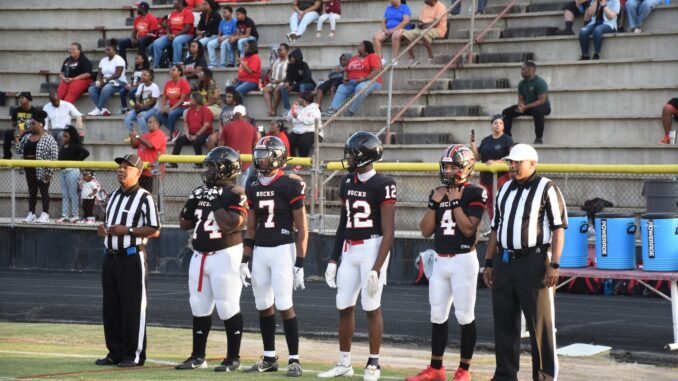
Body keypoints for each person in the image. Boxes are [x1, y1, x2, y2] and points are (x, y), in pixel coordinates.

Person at [482, 144, 567, 381]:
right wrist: (488, 262)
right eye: (510, 162)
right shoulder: (505, 188)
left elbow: (559, 229)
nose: (512, 166)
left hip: (534, 261)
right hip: (505, 260)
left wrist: (555, 264)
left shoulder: (547, 187)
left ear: (532, 163)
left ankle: (544, 377)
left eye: (517, 162)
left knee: (540, 325)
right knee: (504, 323)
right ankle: (505, 376)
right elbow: (495, 229)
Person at [405, 144, 487, 381]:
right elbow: (425, 230)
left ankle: (464, 370)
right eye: (446, 166)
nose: (448, 170)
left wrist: (453, 202)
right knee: (437, 315)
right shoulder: (438, 191)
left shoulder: (475, 192)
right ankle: (436, 368)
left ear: (466, 168)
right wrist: (435, 203)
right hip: (440, 260)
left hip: (463, 260)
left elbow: (469, 228)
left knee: (464, 315)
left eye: (453, 166)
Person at [320, 131, 396, 381]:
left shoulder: (383, 184)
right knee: (343, 305)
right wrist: (333, 258)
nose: (348, 158)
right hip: (349, 250)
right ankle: (344, 363)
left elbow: (389, 231)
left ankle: (373, 364)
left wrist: (377, 266)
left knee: (371, 306)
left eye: (352, 154)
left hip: (372, 248)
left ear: (365, 156)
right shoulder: (347, 182)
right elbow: (343, 224)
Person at [174, 146, 248, 372]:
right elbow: (184, 223)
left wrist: (215, 202)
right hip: (199, 255)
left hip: (225, 256)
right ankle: (198, 356)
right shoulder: (202, 191)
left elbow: (231, 224)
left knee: (227, 306)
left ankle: (233, 357)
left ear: (226, 170)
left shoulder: (236, 193)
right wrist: (192, 201)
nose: (207, 171)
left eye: (213, 167)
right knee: (198, 305)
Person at [242, 136, 308, 377]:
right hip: (260, 249)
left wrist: (300, 261)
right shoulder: (252, 184)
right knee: (263, 305)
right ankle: (269, 357)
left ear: (279, 157)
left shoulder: (290, 184)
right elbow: (250, 227)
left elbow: (302, 227)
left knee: (284, 304)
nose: (261, 159)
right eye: (258, 154)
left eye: (266, 154)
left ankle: (294, 360)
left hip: (282, 249)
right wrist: (244, 258)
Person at [96, 153, 160, 368]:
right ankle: (114, 352)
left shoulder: (145, 197)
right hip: (110, 258)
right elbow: (107, 224)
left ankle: (134, 354)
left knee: (133, 308)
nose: (121, 170)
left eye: (127, 167)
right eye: (120, 167)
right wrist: (102, 230)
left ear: (139, 173)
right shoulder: (113, 196)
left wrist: (129, 230)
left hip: (132, 257)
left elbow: (155, 229)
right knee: (111, 308)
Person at [16, 110, 59, 224]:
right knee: (32, 192)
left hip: (42, 170)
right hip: (29, 169)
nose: (31, 125)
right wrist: (17, 137)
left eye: (33, 123)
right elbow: (19, 149)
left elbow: (54, 156)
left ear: (40, 124)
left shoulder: (49, 138)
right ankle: (32, 213)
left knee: (44, 191)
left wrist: (49, 172)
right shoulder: (27, 137)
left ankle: (45, 213)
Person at [469, 115, 513, 221]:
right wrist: (473, 145)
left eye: (500, 123)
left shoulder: (507, 140)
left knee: (500, 200)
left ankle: (501, 223)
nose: (498, 125)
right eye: (495, 123)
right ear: (491, 125)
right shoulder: (486, 140)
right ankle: (493, 224)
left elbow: (511, 158)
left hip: (500, 176)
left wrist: (496, 162)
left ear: (503, 126)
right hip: (485, 176)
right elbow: (478, 157)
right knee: (488, 201)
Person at [324, 41, 382, 117]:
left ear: (367, 48)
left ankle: (350, 112)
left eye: (361, 45)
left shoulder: (372, 56)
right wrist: (345, 78)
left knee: (360, 87)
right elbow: (346, 70)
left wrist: (365, 78)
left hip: (371, 81)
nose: (358, 46)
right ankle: (333, 110)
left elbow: (377, 70)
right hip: (353, 82)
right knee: (342, 87)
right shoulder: (354, 58)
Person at [501, 61, 551, 144]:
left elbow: (541, 101)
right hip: (527, 107)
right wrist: (520, 106)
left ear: (531, 70)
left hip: (542, 106)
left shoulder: (540, 82)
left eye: (523, 69)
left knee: (537, 111)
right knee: (506, 112)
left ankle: (538, 138)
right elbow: (521, 98)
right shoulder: (521, 83)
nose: (521, 71)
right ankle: (507, 138)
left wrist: (525, 107)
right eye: (521, 69)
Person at [392, 0, 447, 66]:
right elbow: (421, 20)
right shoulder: (424, 7)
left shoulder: (441, 7)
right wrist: (420, 25)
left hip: (437, 29)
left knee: (423, 34)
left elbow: (436, 23)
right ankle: (412, 58)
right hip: (423, 28)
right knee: (405, 34)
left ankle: (431, 57)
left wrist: (424, 25)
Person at [169, 92, 214, 166]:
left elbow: (206, 125)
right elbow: (186, 123)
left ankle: (198, 164)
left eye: (191, 99)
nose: (190, 100)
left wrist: (196, 135)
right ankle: (173, 162)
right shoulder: (190, 110)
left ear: (196, 100)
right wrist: (187, 134)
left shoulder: (205, 110)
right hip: (191, 133)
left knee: (197, 142)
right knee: (179, 141)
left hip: (204, 134)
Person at [57, 125, 90, 223]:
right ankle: (65, 215)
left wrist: (76, 163)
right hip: (63, 171)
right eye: (63, 136)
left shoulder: (74, 146)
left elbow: (86, 153)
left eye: (66, 136)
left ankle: (75, 215)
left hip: (72, 171)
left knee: (73, 194)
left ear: (71, 136)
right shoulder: (64, 145)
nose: (64, 138)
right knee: (65, 194)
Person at [219, 105, 258, 186]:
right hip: (246, 162)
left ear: (233, 115)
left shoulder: (227, 127)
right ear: (244, 116)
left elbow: (221, 146)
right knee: (242, 188)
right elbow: (255, 146)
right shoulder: (252, 128)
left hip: (230, 161)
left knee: (230, 187)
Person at [151, 64, 192, 142]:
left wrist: (171, 108)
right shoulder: (168, 83)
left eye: (173, 70)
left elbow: (182, 100)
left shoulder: (184, 83)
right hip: (173, 106)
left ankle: (170, 134)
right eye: (170, 70)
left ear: (179, 72)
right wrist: (163, 108)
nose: (171, 72)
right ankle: (174, 131)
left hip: (184, 105)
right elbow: (164, 98)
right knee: (158, 113)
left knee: (171, 113)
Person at [88, 39, 127, 117]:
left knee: (106, 88)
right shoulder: (103, 60)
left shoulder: (119, 59)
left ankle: (98, 109)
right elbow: (99, 73)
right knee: (92, 89)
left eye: (109, 50)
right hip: (106, 81)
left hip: (119, 82)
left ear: (114, 50)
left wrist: (105, 80)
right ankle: (103, 109)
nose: (106, 51)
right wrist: (99, 81)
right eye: (106, 50)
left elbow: (117, 75)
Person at [151, 0, 195, 68]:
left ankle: (176, 64)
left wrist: (176, 35)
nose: (173, 2)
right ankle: (157, 64)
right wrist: (168, 34)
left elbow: (187, 28)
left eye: (175, 1)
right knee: (156, 43)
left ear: (180, 2)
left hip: (187, 34)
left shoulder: (188, 12)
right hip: (173, 35)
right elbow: (168, 27)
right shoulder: (172, 13)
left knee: (176, 41)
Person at [129, 114, 167, 192]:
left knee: (147, 196)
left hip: (151, 172)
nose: (148, 124)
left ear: (157, 123)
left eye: (150, 122)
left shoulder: (160, 134)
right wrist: (132, 137)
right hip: (141, 170)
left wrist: (136, 136)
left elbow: (150, 145)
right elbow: (134, 145)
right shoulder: (146, 135)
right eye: (147, 122)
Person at [3, 92, 39, 160]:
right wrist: (17, 130)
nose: (20, 99)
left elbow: (35, 126)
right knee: (8, 133)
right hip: (18, 132)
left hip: (29, 133)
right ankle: (7, 156)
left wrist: (24, 130)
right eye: (20, 98)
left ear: (28, 99)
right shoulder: (16, 110)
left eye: (22, 98)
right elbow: (13, 124)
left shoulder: (34, 111)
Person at [124, 69, 161, 134]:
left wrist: (143, 106)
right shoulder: (141, 85)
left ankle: (145, 136)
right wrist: (137, 102)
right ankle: (132, 134)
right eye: (142, 75)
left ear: (150, 77)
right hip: (142, 108)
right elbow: (137, 97)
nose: (142, 76)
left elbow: (153, 102)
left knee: (140, 116)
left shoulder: (155, 87)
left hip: (152, 108)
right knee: (126, 116)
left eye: (145, 75)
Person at [280, 48, 315, 114]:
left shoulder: (304, 65)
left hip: (308, 84)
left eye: (293, 57)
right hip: (297, 85)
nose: (291, 59)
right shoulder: (290, 65)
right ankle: (287, 110)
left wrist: (293, 86)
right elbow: (289, 77)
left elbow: (306, 79)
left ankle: (303, 108)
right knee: (283, 88)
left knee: (302, 86)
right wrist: (287, 82)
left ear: (297, 57)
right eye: (291, 57)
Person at [287, 91, 321, 158]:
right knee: (288, 140)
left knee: (303, 142)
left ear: (305, 100)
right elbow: (288, 119)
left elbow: (312, 120)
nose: (298, 100)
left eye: (300, 98)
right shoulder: (298, 108)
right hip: (297, 131)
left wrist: (298, 117)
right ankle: (292, 160)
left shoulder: (314, 108)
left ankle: (302, 163)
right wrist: (293, 109)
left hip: (311, 131)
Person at [263, 43, 290, 116]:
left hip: (282, 82)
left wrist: (280, 81)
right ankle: (270, 108)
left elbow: (289, 76)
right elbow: (270, 72)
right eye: (278, 50)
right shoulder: (276, 61)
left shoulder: (289, 61)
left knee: (277, 89)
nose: (278, 51)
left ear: (286, 51)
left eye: (280, 50)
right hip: (273, 82)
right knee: (265, 89)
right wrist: (270, 79)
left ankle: (274, 109)